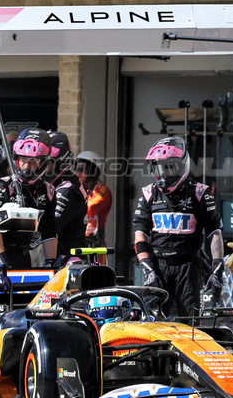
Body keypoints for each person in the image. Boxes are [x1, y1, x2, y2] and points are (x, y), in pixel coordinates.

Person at [132, 136, 222, 322]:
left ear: (182, 165)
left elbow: (215, 232)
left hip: (189, 268)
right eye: (158, 168)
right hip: (158, 266)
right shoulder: (148, 193)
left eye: (169, 167)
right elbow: (140, 235)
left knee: (191, 325)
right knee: (153, 321)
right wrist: (147, 269)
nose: (163, 174)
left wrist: (217, 267)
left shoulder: (200, 193)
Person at [0, 129, 58, 276]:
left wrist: (51, 263)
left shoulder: (48, 191)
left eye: (32, 161)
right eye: (23, 159)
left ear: (43, 163)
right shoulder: (2, 186)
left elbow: (49, 231)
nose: (26, 165)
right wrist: (3, 261)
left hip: (24, 256)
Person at [46, 131, 87, 265]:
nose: (40, 166)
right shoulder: (51, 182)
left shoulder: (67, 188)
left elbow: (51, 226)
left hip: (66, 258)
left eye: (46, 161)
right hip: (53, 255)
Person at [74, 151, 112, 248]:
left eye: (82, 170)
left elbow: (90, 209)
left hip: (95, 244)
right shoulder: (77, 190)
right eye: (76, 169)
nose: (77, 174)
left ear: (92, 171)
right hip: (76, 241)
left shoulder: (103, 190)